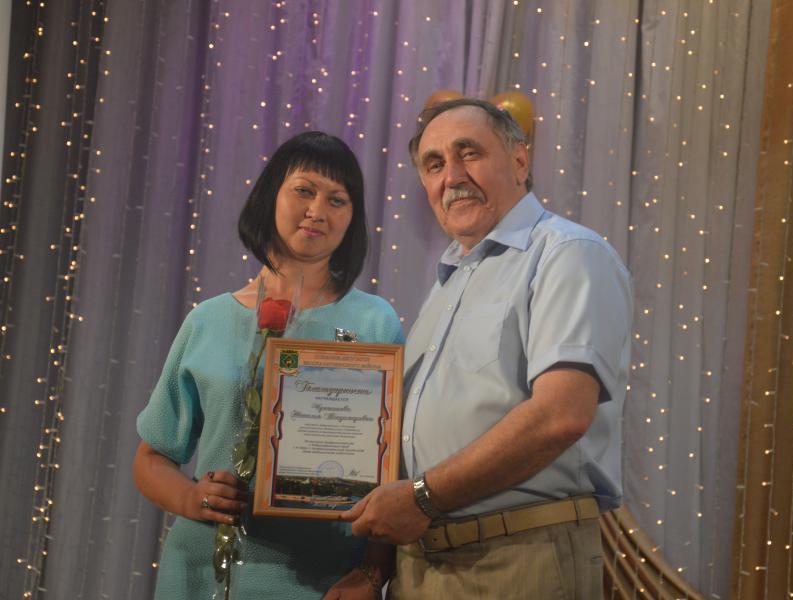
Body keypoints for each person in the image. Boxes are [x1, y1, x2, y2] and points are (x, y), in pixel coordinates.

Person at [342, 99, 633, 598]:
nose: (452, 177)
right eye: (434, 164)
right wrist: (376, 567)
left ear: (520, 161)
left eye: (469, 153)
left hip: (519, 556)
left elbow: (560, 415)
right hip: (421, 565)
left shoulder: (566, 253)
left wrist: (423, 497)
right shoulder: (447, 283)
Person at [133, 132, 402, 599]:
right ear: (269, 196)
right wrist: (191, 498)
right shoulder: (207, 321)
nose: (318, 210)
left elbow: (395, 468)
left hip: (323, 581)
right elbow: (151, 458)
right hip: (201, 574)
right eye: (304, 190)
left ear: (352, 218)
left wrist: (373, 573)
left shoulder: (375, 322)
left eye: (337, 199)